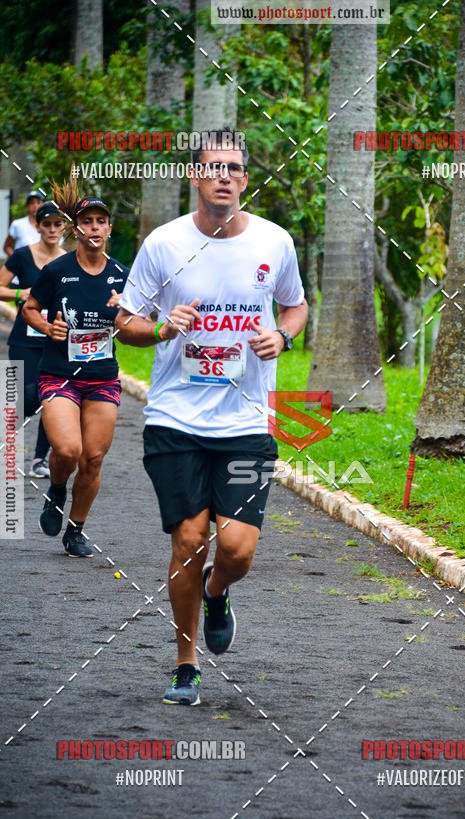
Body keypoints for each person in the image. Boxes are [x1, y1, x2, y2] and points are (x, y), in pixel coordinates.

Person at [116, 128, 308, 705]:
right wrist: (163, 328)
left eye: (235, 169)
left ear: (246, 180)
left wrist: (283, 336)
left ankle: (218, 592)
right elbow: (125, 324)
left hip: (246, 422)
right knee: (190, 539)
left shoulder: (275, 243)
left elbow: (296, 306)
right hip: (175, 418)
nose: (224, 177)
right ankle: (184, 662)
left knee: (237, 550)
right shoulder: (164, 245)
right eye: (214, 167)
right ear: (196, 177)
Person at [22, 185, 129, 557]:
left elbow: (137, 326)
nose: (95, 228)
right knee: (68, 450)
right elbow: (30, 308)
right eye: (87, 222)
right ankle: (55, 489)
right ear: (76, 229)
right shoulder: (56, 271)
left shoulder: (121, 275)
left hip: (102, 377)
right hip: (60, 375)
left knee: (93, 458)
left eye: (101, 222)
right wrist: (46, 327)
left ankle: (76, 530)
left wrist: (125, 316)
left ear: (109, 229)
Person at [0, 202, 66, 476]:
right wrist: (21, 294)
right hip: (24, 339)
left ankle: (40, 459)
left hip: (56, 340)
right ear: (37, 227)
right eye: (46, 224)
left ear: (65, 227)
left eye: (57, 224)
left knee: (51, 399)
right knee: (26, 396)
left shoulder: (69, 260)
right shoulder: (22, 255)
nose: (52, 229)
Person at [3, 190, 45, 257]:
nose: (35, 206)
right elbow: (7, 247)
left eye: (38, 202)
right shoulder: (17, 224)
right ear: (27, 206)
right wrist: (17, 260)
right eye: (32, 203)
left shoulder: (50, 226)